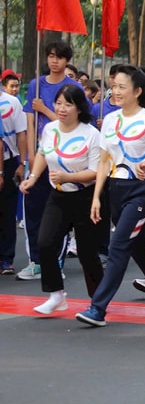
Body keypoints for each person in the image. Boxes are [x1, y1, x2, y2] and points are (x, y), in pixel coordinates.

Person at [75, 66, 145, 326]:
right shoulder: (111, 120)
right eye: (114, 86)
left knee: (119, 245)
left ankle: (98, 308)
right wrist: (96, 197)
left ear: (138, 91)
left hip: (140, 190)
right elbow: (104, 160)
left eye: (122, 87)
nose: (115, 91)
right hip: (115, 189)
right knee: (136, 246)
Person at [19, 85, 103, 315]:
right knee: (45, 242)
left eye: (68, 104)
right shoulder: (51, 129)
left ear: (79, 108)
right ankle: (56, 295)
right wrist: (33, 177)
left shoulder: (91, 134)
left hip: (84, 196)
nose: (62, 109)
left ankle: (98, 300)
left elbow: (96, 172)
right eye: (58, 103)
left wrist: (70, 176)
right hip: (58, 195)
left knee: (87, 253)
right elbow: (43, 154)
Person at [19, 41, 82, 280]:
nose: (54, 61)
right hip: (40, 155)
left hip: (65, 158)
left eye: (59, 57)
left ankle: (55, 261)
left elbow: (71, 122)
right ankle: (36, 261)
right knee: (34, 208)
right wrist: (31, 155)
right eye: (51, 56)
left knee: (60, 212)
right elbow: (29, 121)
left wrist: (45, 109)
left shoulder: (72, 87)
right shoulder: (36, 84)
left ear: (67, 61)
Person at [0, 82, 27, 274]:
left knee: (7, 212)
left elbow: (21, 134)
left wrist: (22, 163)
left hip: (8, 162)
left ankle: (6, 258)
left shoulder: (11, 102)